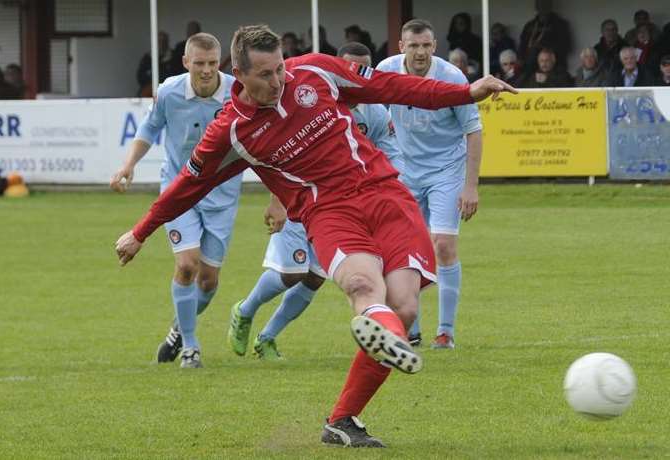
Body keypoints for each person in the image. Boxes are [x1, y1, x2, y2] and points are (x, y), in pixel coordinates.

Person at [115, 24, 513, 447]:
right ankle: (379, 337)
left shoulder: (317, 71)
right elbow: (188, 185)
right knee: (362, 285)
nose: (278, 81)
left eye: (280, 69)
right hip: (329, 211)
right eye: (265, 75)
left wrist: (465, 92)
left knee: (405, 306)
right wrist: (141, 232)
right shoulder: (232, 131)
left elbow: (389, 86)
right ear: (240, 73)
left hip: (386, 195)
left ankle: (344, 416)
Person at [227, 41, 405, 360]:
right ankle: (245, 310)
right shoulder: (305, 97)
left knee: (316, 276)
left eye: (363, 69)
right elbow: (276, 157)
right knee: (291, 272)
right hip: (299, 203)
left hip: (342, 208)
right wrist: (277, 201)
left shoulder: (375, 112)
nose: (354, 75)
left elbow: (389, 153)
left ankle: (267, 337)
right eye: (349, 67)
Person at [111, 33, 243, 368]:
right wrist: (128, 164)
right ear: (186, 63)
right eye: (199, 63)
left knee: (209, 281)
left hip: (222, 195)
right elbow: (148, 129)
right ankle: (192, 346)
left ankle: (178, 330)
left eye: (213, 63)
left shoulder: (238, 93)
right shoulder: (169, 91)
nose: (206, 70)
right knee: (186, 266)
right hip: (178, 190)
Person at [377, 19, 483, 349]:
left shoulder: (451, 77)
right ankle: (412, 329)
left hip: (446, 171)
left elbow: (474, 131)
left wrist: (471, 186)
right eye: (414, 46)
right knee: (405, 251)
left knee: (443, 246)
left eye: (426, 46)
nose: (420, 52)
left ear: (434, 47)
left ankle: (446, 332)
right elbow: (371, 118)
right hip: (405, 172)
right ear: (401, 47)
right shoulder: (386, 71)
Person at [517, 0, 572, 74]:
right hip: (530, 67)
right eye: (540, 4)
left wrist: (544, 50)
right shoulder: (530, 25)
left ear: (550, 6)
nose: (542, 7)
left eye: (545, 4)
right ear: (536, 6)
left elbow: (566, 45)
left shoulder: (560, 24)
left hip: (554, 65)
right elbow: (522, 45)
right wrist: (520, 58)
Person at [136, 31, 176, 96]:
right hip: (149, 89)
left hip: (168, 89)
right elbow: (140, 76)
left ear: (167, 42)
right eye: (159, 41)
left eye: (164, 41)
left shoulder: (174, 56)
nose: (161, 44)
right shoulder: (147, 57)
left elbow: (177, 75)